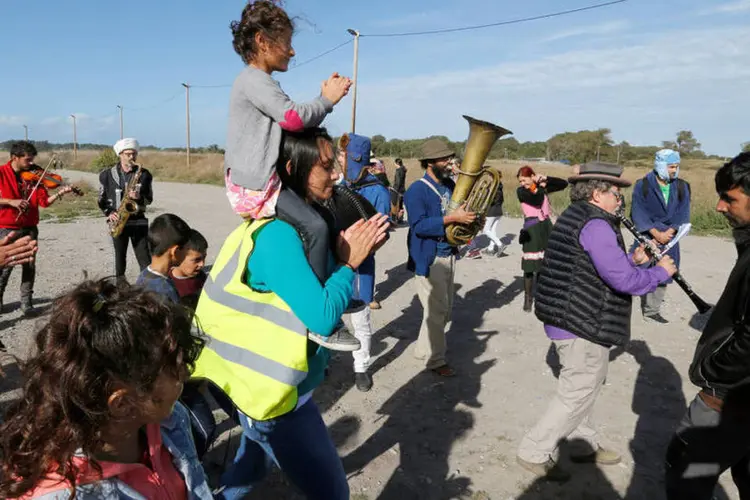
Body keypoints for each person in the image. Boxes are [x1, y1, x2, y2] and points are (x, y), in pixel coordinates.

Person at [191, 127, 389, 499]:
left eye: (337, 166)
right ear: (291, 167)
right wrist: (349, 265)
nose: (337, 176)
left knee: (253, 465)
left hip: (262, 391)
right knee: (333, 494)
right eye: (326, 167)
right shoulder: (279, 236)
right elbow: (322, 317)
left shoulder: (300, 226)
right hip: (275, 397)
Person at [516, 162, 676, 482]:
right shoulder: (597, 225)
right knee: (579, 390)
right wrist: (660, 273)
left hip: (568, 315)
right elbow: (621, 280)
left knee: (583, 387)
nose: (620, 199)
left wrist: (634, 260)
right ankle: (534, 451)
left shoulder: (581, 216)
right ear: (598, 193)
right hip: (579, 320)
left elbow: (593, 266)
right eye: (616, 193)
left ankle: (585, 442)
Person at [0, 278, 212, 499]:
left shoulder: (171, 420)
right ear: (122, 404)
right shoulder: (67, 494)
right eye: (174, 371)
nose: (186, 376)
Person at [224, 0, 357, 351]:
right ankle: (317, 316)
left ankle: (328, 287)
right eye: (286, 41)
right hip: (256, 186)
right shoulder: (253, 80)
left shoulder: (258, 81)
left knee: (324, 218)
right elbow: (294, 119)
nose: (293, 50)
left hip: (265, 179)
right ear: (262, 41)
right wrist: (326, 100)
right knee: (313, 226)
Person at [664, 152, 750, 499]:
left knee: (685, 474)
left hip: (732, 400)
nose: (719, 207)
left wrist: (712, 375)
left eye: (730, 198)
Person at [404, 138, 476, 377]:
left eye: (449, 158)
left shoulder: (449, 185)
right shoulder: (416, 190)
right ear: (429, 163)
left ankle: (422, 350)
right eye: (444, 159)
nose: (449, 162)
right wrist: (452, 219)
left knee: (442, 312)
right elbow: (418, 225)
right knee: (438, 311)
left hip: (449, 254)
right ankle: (436, 360)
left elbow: (457, 212)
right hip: (430, 256)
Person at [0, 141, 76, 315]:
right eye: (27, 160)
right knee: (5, 266)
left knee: (30, 266)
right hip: (7, 227)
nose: (32, 164)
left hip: (30, 227)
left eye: (33, 159)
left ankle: (26, 303)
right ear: (14, 158)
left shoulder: (36, 176)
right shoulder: (1, 173)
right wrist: (11, 201)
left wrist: (59, 193)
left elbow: (44, 202)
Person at [343, 134, 392, 391]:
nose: (341, 161)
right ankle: (325, 359)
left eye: (346, 157)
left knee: (360, 318)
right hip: (332, 263)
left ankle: (361, 366)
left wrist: (359, 249)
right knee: (328, 315)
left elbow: (382, 234)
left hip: (361, 266)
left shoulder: (378, 192)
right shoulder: (340, 184)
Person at [630, 149, 691, 324]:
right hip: (647, 235)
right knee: (639, 268)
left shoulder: (682, 186)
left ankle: (651, 311)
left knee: (664, 272)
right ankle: (622, 304)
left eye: (677, 166)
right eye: (671, 166)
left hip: (671, 238)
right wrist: (655, 233)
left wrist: (669, 233)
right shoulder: (643, 185)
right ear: (660, 165)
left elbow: (682, 213)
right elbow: (638, 211)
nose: (674, 170)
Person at [98, 138, 154, 278]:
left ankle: (148, 286)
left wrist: (139, 197)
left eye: (134, 154)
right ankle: (121, 286)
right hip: (118, 221)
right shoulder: (106, 174)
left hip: (138, 220)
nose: (131, 157)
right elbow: (101, 199)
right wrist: (109, 213)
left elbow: (149, 199)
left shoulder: (144, 174)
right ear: (120, 154)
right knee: (120, 258)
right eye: (128, 154)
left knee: (145, 258)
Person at [516, 165, 568, 312]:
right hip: (532, 228)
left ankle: (540, 294)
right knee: (529, 266)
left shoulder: (540, 186)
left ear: (532, 176)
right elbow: (537, 199)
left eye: (524, 180)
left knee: (543, 263)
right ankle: (528, 298)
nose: (522, 184)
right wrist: (535, 185)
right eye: (520, 181)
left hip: (546, 227)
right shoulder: (521, 191)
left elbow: (563, 184)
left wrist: (546, 178)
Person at [135, 213, 191, 304]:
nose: (188, 254)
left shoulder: (143, 275)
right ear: (175, 251)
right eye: (187, 249)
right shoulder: (165, 291)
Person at [464, 167, 506, 259]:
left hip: (492, 212)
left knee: (485, 230)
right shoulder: (500, 187)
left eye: (491, 176)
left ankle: (500, 244)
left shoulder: (494, 188)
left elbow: (491, 201)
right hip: (499, 211)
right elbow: (501, 200)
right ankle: (491, 249)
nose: (490, 178)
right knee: (492, 230)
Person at [169, 228, 208, 311]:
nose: (202, 264)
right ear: (178, 255)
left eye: (204, 258)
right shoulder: (168, 285)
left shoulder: (201, 276)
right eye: (196, 260)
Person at [391, 157, 407, 224]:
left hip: (397, 190)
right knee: (400, 205)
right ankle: (401, 219)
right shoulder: (403, 169)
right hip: (403, 189)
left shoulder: (398, 171)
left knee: (395, 205)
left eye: (395, 163)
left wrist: (394, 189)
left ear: (397, 163)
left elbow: (398, 182)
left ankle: (395, 219)